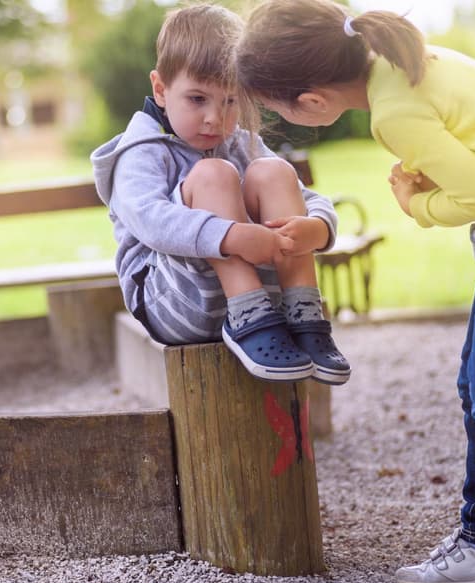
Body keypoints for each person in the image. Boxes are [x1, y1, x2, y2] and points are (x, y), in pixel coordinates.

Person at [235, 1, 475, 583]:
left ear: (315, 101)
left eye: (277, 108)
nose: (279, 118)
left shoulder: (394, 112)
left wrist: (416, 205)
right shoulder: (400, 62)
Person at [91, 3, 350, 385]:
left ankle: (305, 313)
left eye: (230, 101)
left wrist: (318, 227)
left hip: (268, 306)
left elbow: (304, 195)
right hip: (175, 302)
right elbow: (149, 220)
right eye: (197, 99)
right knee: (214, 175)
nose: (216, 117)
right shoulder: (141, 151)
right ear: (161, 89)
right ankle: (249, 316)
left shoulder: (241, 142)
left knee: (274, 171)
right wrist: (229, 236)